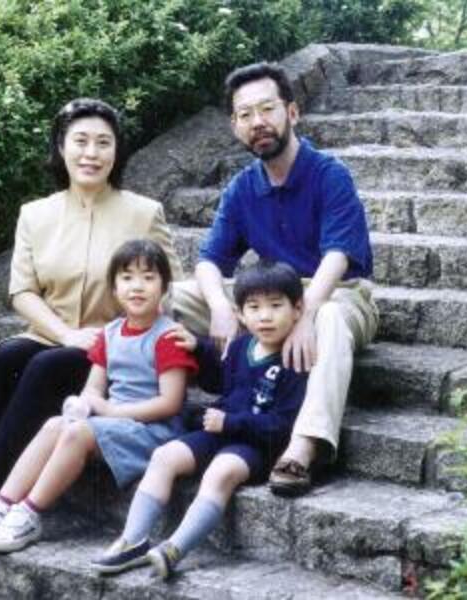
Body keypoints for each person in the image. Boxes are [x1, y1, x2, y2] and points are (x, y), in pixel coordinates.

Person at [0, 99, 182, 545]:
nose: (91, 153)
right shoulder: (36, 214)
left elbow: (171, 284)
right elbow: (23, 292)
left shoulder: (143, 213)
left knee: (45, 367)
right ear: (61, 147)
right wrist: (67, 334)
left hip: (109, 349)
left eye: (103, 143)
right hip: (55, 334)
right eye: (81, 141)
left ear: (117, 151)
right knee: (5, 356)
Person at [171, 62, 378, 497]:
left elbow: (338, 257)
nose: (258, 122)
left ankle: (302, 447)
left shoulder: (329, 174)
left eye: (267, 109)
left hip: (337, 292)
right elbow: (208, 261)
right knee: (173, 297)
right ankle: (159, 409)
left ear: (292, 113)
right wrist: (221, 307)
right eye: (245, 115)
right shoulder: (242, 188)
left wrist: (307, 314)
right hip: (270, 296)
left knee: (329, 319)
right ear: (235, 126)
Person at [0, 239, 198, 553]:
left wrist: (109, 412)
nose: (137, 286)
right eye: (127, 278)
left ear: (164, 287)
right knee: (55, 425)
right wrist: (84, 405)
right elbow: (93, 388)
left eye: (148, 278)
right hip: (115, 425)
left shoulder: (168, 336)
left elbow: (170, 403)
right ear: (114, 289)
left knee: (77, 433)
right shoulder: (110, 333)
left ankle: (29, 513)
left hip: (153, 431)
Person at [92, 259, 308, 577]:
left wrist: (231, 423)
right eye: (254, 307)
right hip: (219, 429)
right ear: (240, 314)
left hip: (256, 444)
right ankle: (132, 540)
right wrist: (199, 349)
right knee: (164, 456)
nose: (265, 316)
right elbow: (219, 381)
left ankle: (174, 548)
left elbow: (284, 425)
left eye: (276, 306)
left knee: (221, 472)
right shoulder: (242, 346)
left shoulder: (295, 359)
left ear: (297, 309)